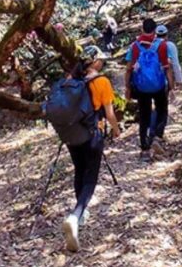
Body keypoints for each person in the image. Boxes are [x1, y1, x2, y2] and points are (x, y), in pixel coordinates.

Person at [56, 46, 120, 252]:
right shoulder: (102, 82)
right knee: (91, 177)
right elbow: (109, 114)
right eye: (100, 59)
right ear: (94, 62)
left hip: (71, 135)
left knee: (79, 171)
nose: (102, 62)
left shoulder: (70, 80)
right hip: (93, 135)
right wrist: (117, 130)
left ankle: (79, 213)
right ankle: (75, 217)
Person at [124, 18, 174, 160]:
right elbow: (167, 67)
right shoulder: (162, 45)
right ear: (155, 30)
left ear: (142, 29)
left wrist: (127, 87)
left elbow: (128, 69)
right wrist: (171, 86)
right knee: (162, 110)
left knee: (144, 115)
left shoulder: (134, 46)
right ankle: (157, 137)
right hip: (158, 85)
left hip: (141, 87)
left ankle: (145, 149)